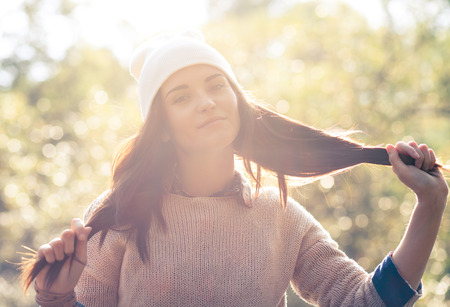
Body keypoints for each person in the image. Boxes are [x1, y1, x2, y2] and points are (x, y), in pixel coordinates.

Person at [21, 30, 448, 307]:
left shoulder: (280, 216)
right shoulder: (124, 212)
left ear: (237, 102)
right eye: (181, 97)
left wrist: (429, 207)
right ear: (162, 128)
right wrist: (57, 299)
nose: (206, 102)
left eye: (215, 85)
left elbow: (366, 302)